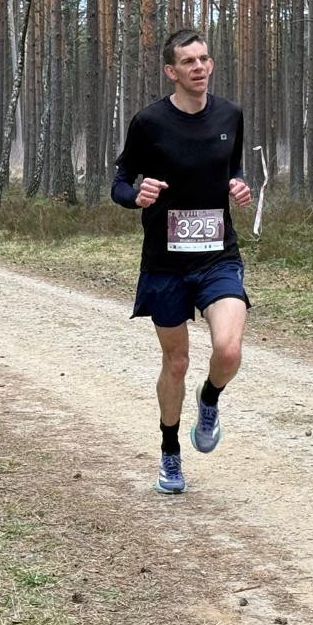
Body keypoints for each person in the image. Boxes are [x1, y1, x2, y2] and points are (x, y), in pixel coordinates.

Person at [111, 28, 252, 495]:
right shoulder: (149, 122)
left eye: (204, 59)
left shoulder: (231, 114)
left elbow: (230, 167)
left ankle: (209, 398)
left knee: (228, 350)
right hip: (166, 263)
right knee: (176, 363)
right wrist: (136, 196)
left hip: (218, 257)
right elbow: (120, 181)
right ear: (171, 71)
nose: (199, 67)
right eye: (188, 61)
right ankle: (170, 453)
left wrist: (238, 185)